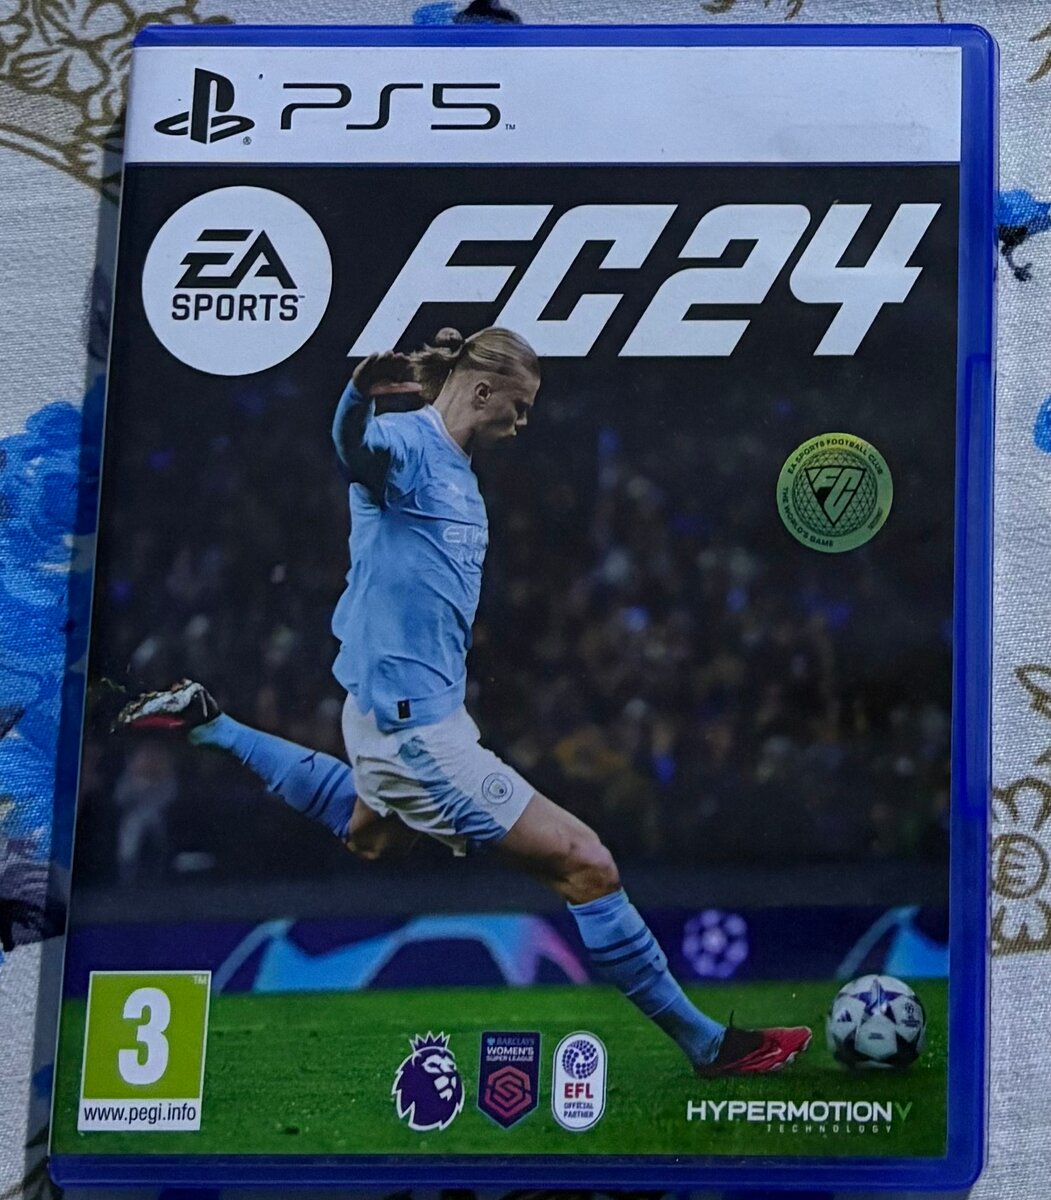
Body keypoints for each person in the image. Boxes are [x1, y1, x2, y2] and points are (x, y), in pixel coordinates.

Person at [117, 327, 810, 1075]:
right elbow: (353, 451)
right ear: (482, 391)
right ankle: (709, 1046)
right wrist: (356, 395)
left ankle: (213, 725)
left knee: (371, 838)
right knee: (587, 864)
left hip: (402, 718)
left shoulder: (457, 470)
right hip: (418, 736)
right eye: (521, 404)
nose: (525, 420)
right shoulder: (409, 446)